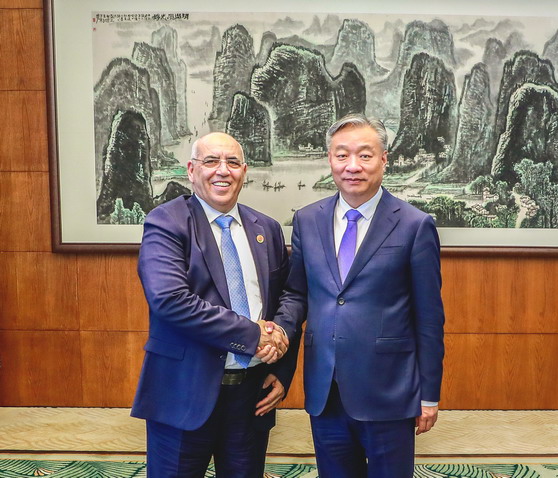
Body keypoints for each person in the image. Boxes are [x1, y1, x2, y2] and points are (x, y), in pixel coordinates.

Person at [275, 114, 445, 478]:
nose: (352, 166)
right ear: (330, 159)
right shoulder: (307, 220)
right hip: (326, 390)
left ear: (384, 160)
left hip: (389, 390)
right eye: (342, 155)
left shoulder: (415, 225)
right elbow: (297, 293)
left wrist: (429, 395)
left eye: (365, 155)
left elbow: (429, 317)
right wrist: (277, 334)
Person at [131, 132, 296, 478]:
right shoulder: (166, 221)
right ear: (192, 171)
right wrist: (253, 335)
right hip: (183, 391)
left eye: (232, 162)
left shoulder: (266, 228)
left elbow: (288, 298)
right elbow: (170, 300)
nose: (223, 170)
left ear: (244, 171)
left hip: (252, 396)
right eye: (211, 161)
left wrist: (281, 367)